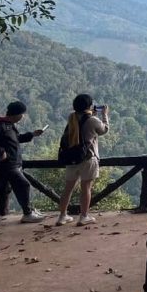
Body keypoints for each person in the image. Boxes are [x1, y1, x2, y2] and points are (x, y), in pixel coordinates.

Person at [0, 101, 46, 223]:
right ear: (16, 114)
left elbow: (15, 139)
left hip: (14, 164)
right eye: (22, 114)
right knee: (24, 185)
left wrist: (32, 134)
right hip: (8, 165)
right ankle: (27, 214)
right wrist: (1, 152)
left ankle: (29, 210)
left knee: (16, 187)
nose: (23, 116)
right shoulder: (0, 126)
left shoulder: (9, 126)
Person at [56, 93, 109, 226]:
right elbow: (104, 130)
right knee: (86, 187)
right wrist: (104, 115)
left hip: (71, 156)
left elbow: (81, 126)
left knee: (68, 188)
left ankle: (62, 216)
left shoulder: (72, 117)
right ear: (89, 106)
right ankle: (84, 216)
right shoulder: (93, 120)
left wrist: (92, 114)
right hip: (88, 157)